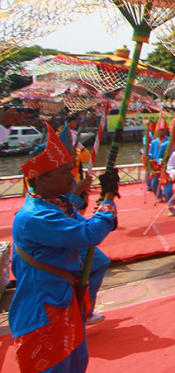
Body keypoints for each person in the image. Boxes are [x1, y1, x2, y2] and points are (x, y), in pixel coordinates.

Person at [10, 125, 119, 373]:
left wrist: (104, 198)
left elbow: (86, 222)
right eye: (63, 172)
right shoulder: (35, 216)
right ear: (40, 178)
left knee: (76, 363)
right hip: (45, 307)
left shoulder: (56, 204)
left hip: (65, 300)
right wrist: (109, 198)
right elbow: (89, 233)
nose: (72, 177)